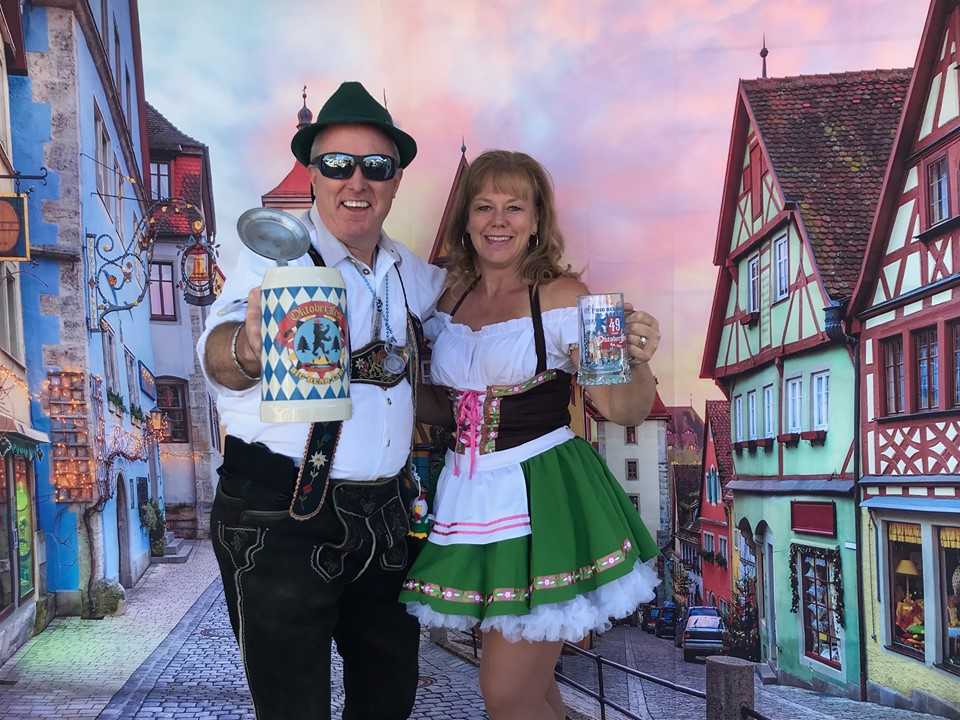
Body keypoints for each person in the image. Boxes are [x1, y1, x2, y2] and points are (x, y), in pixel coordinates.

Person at [198, 81, 447, 720]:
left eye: (376, 166)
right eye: (337, 164)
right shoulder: (270, 258)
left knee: (388, 703)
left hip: (385, 517)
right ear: (313, 174)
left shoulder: (410, 272)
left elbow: (470, 318)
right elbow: (218, 354)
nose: (356, 181)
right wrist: (248, 346)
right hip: (281, 516)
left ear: (396, 182)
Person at [399, 150, 661, 720]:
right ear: (466, 220)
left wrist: (637, 362)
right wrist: (381, 385)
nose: (498, 221)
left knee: (507, 695)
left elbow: (623, 409)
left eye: (514, 207)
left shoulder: (565, 297)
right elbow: (449, 408)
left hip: (544, 494)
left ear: (537, 219)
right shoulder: (448, 298)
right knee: (537, 696)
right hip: (469, 495)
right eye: (484, 206)